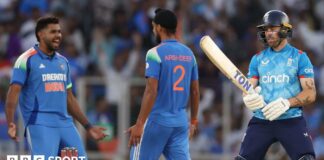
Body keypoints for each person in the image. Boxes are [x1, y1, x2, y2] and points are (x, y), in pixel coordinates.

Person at [5, 16, 106, 158]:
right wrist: (11, 123)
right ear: (40, 34)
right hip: (40, 123)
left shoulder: (63, 62)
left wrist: (88, 127)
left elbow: (70, 99)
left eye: (59, 32)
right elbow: (12, 94)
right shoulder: (25, 60)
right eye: (53, 32)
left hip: (65, 123)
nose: (58, 35)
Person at [236, 10, 317, 160]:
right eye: (266, 29)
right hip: (262, 119)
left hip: (291, 119)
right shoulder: (257, 59)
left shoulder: (300, 57)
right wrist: (247, 98)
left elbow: (310, 94)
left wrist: (287, 103)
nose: (268, 33)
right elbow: (248, 88)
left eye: (273, 29)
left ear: (285, 30)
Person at [127, 8, 200, 160]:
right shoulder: (189, 54)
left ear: (159, 27)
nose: (153, 30)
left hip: (157, 121)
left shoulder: (154, 53)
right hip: (180, 123)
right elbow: (195, 92)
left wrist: (140, 124)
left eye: (153, 26)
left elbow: (151, 91)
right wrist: (193, 121)